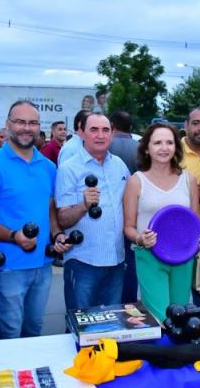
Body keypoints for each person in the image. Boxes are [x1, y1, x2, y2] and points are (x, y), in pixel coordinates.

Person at [0, 100, 70, 339]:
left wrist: (58, 234)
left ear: (40, 127)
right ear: (8, 125)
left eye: (32, 123)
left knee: (33, 332)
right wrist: (13, 236)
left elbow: (50, 209)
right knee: (9, 334)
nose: (26, 128)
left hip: (42, 265)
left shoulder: (49, 167)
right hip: (8, 267)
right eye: (20, 121)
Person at [123, 123, 200, 321]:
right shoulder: (136, 181)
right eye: (157, 143)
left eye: (170, 142)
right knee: (160, 318)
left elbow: (195, 223)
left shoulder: (188, 180)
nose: (164, 148)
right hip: (149, 256)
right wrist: (140, 238)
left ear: (176, 147)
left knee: (180, 315)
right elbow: (128, 227)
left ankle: (177, 352)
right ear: (147, 148)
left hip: (183, 257)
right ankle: (159, 352)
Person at [55, 113, 130, 309]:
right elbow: (62, 218)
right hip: (83, 262)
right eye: (94, 130)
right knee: (81, 326)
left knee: (111, 325)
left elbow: (133, 203)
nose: (100, 135)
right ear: (82, 134)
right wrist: (83, 206)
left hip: (116, 261)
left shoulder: (120, 166)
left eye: (105, 130)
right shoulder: (68, 169)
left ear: (112, 134)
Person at [108, 110, 140, 304]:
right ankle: (128, 303)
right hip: (135, 217)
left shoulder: (106, 145)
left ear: (112, 126)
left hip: (110, 215)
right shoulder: (141, 148)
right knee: (131, 265)